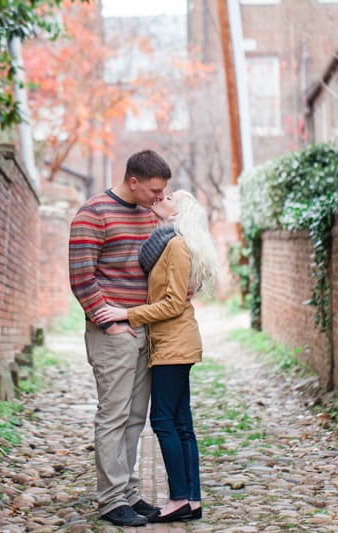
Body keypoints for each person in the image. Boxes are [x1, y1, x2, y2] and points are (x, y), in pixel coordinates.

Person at [93, 190, 219, 523]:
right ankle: (191, 500)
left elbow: (174, 304)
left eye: (168, 198)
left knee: (164, 420)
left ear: (176, 214)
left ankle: (179, 498)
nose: (160, 198)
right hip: (174, 342)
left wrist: (125, 314)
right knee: (182, 422)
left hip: (173, 345)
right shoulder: (172, 243)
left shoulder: (176, 246)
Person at [68, 149, 172, 527]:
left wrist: (166, 223)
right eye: (154, 191)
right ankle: (111, 500)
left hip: (144, 327)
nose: (159, 197)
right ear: (133, 182)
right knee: (113, 415)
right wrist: (109, 323)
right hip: (111, 333)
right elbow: (81, 277)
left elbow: (160, 266)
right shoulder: (92, 214)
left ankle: (128, 493)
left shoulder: (150, 215)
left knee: (133, 417)